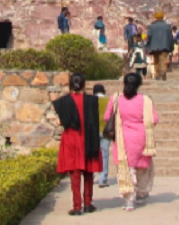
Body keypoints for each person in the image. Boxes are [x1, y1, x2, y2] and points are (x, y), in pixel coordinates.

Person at [103, 73, 159, 211]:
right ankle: (141, 193)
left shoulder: (116, 98)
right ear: (139, 84)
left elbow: (106, 117)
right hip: (142, 138)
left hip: (123, 138)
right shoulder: (145, 100)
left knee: (126, 168)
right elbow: (154, 119)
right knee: (140, 167)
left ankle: (128, 199)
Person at [53, 73, 102, 215]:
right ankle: (88, 202)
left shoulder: (63, 102)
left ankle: (76, 205)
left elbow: (62, 121)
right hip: (88, 137)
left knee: (74, 173)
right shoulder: (92, 101)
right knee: (88, 171)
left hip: (71, 138)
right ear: (83, 84)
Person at [146, 11, 175, 81]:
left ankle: (158, 74)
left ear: (155, 17)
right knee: (163, 60)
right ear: (162, 17)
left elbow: (149, 37)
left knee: (156, 61)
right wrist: (171, 47)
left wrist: (148, 46)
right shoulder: (167, 26)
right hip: (164, 46)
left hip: (154, 47)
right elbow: (170, 38)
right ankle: (163, 71)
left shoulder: (151, 26)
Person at [93, 84, 111, 187]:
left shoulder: (91, 100)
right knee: (104, 154)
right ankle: (102, 178)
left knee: (93, 155)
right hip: (105, 130)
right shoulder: (108, 100)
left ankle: (90, 176)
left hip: (93, 131)